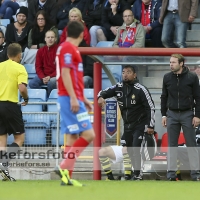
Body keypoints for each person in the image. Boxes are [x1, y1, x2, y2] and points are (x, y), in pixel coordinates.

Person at [54, 21, 95, 187]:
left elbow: (73, 76)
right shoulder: (68, 48)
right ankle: (64, 165)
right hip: (69, 97)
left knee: (73, 136)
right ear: (82, 35)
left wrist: (82, 97)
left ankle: (66, 178)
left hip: (72, 97)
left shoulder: (66, 48)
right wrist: (73, 97)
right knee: (89, 135)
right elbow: (65, 73)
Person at [98, 65, 155, 180]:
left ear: (135, 75)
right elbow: (104, 92)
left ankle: (138, 175)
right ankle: (132, 174)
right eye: (123, 72)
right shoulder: (118, 87)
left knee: (135, 148)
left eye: (128, 72)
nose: (125, 74)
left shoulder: (141, 89)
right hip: (127, 126)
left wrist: (150, 125)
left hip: (140, 124)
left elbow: (151, 107)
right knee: (128, 150)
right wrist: (100, 97)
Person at [161, 54, 200, 181]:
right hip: (171, 114)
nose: (171, 64)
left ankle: (196, 175)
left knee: (191, 145)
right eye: (170, 62)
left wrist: (197, 115)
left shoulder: (192, 77)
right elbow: (164, 97)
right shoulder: (167, 77)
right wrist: (163, 114)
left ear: (181, 63)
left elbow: (198, 97)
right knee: (171, 145)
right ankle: (171, 175)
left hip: (187, 113)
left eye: (173, 62)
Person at [0, 43, 28, 181]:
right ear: (19, 55)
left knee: (1, 141)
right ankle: (3, 163)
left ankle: (3, 172)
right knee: (19, 138)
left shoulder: (0, 66)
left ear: (7, 54)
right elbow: (22, 88)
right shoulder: (20, 68)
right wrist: (26, 98)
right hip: (10, 104)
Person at [29, 30, 57, 96]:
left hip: (54, 76)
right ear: (45, 39)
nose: (50, 39)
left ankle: (49, 100)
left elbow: (61, 68)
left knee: (51, 82)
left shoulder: (59, 50)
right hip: (43, 76)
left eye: (52, 37)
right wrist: (43, 77)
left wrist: (50, 77)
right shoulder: (40, 51)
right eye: (48, 37)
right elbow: (38, 66)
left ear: (55, 39)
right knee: (32, 83)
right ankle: (43, 96)